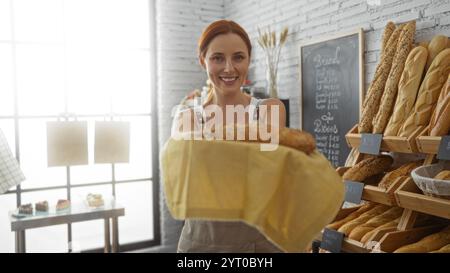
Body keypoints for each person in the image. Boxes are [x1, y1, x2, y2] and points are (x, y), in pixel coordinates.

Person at [173, 20, 286, 253]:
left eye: (238, 57)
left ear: (249, 60)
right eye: (217, 58)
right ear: (202, 60)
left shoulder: (269, 109)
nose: (229, 68)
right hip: (200, 245)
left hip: (261, 244)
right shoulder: (187, 118)